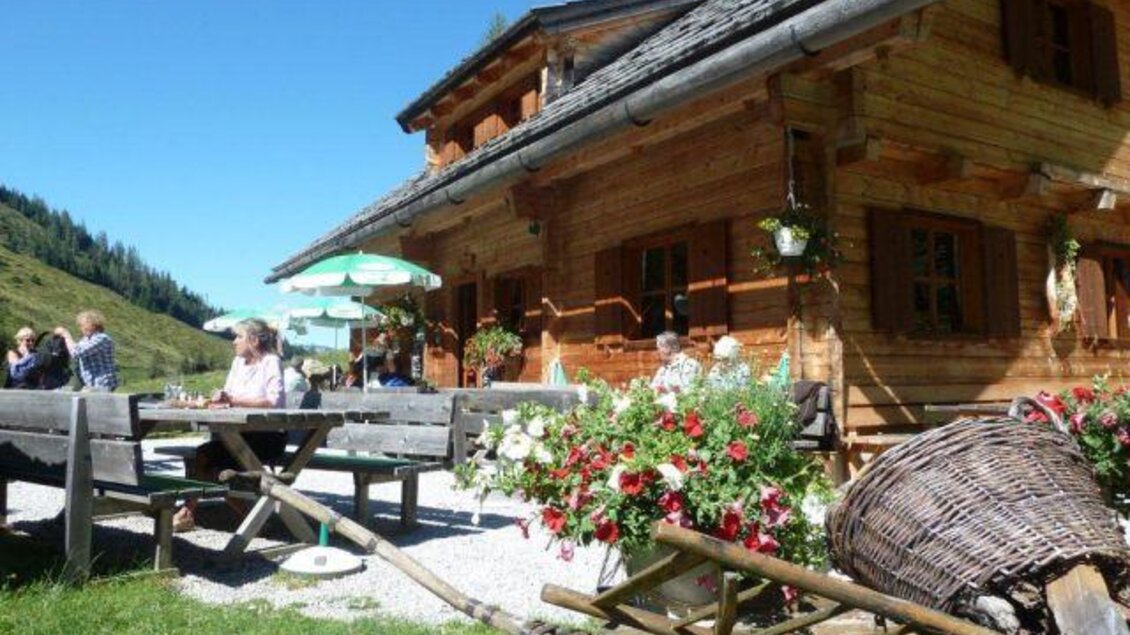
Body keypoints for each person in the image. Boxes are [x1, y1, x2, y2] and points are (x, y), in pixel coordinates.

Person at [172, 318, 285, 532]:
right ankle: (192, 512)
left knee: (209, 463)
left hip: (266, 437)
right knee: (201, 457)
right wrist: (220, 400)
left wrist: (232, 400)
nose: (234, 342)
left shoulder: (271, 361)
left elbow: (274, 401)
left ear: (253, 340)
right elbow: (228, 397)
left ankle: (188, 512)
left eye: (239, 336)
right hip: (236, 435)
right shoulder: (237, 363)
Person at [55, 310, 118, 391]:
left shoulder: (101, 338)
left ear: (92, 324)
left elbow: (76, 352)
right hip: (90, 384)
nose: (81, 328)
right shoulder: (85, 340)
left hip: (102, 384)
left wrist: (66, 334)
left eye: (82, 324)